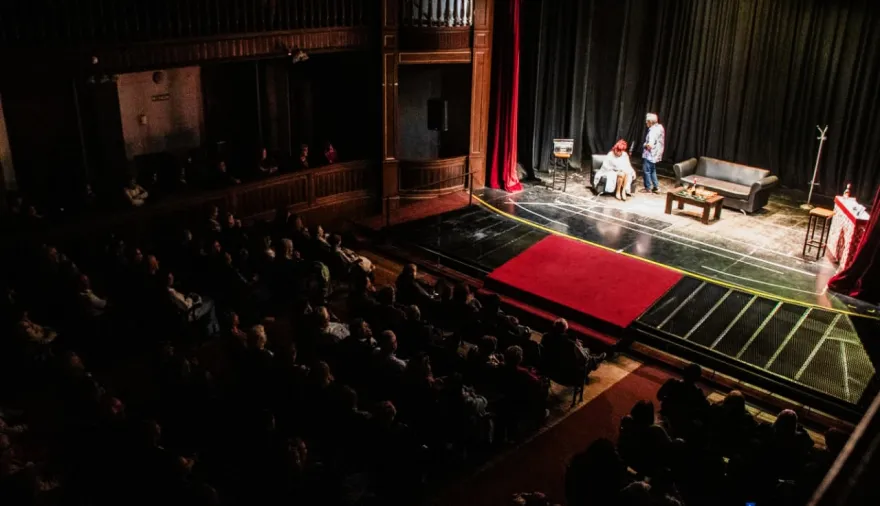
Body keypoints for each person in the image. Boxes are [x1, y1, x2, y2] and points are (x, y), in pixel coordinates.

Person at [641, 112, 665, 194]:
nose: (646, 123)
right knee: (652, 170)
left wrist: (644, 145)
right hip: (656, 154)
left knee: (646, 171)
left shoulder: (652, 131)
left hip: (650, 154)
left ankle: (648, 188)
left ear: (651, 122)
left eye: (647, 121)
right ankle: (656, 187)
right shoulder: (660, 127)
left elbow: (649, 145)